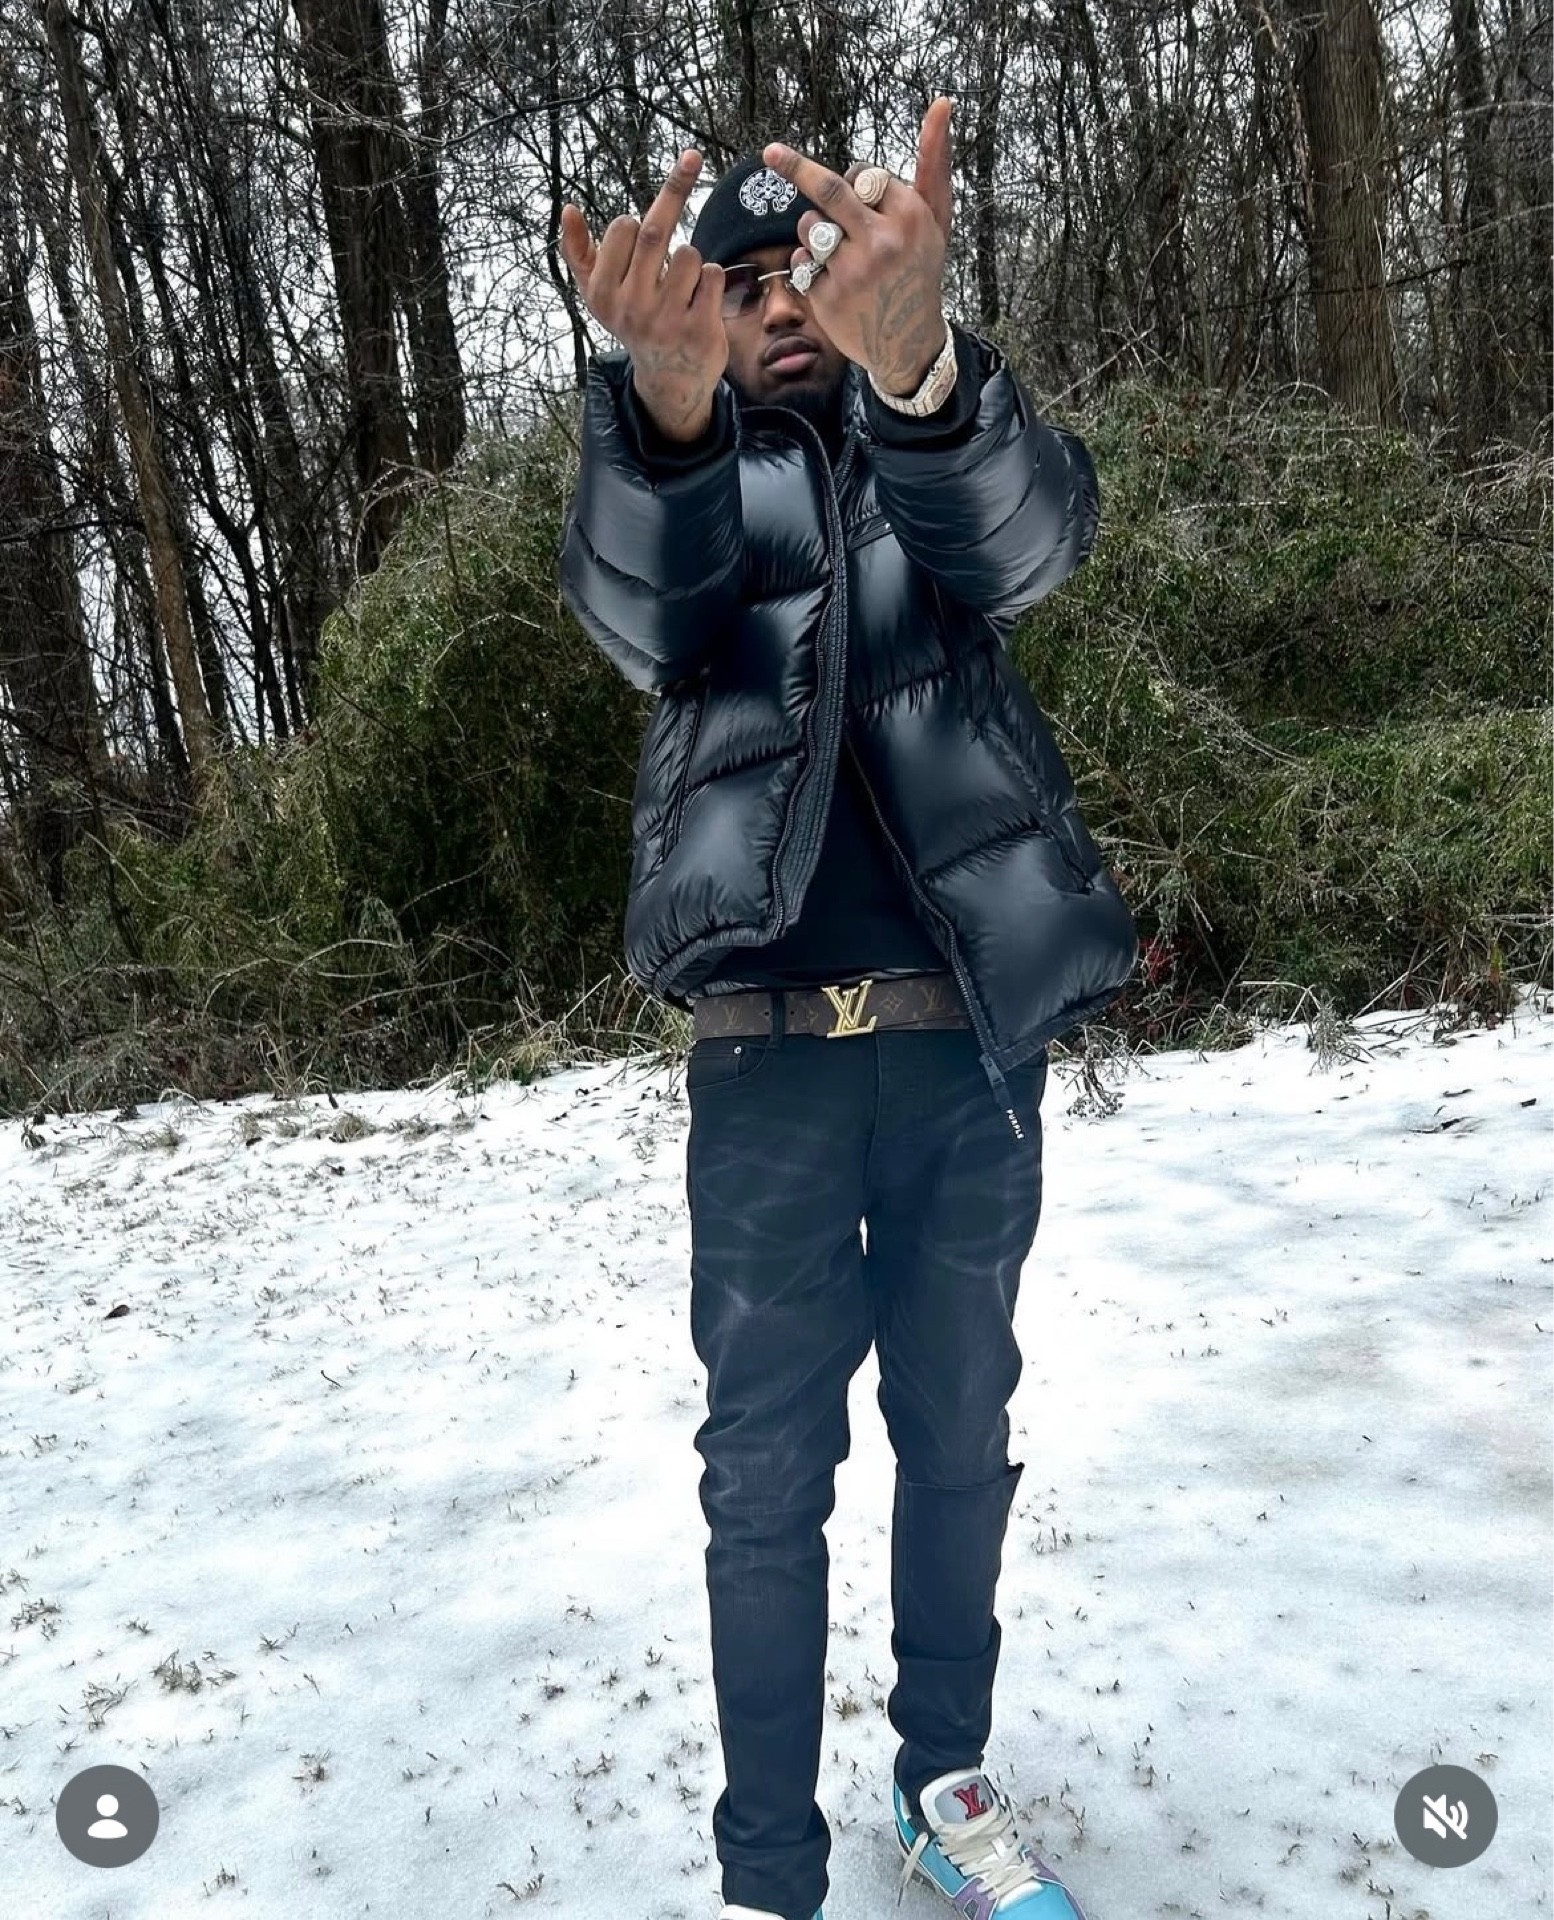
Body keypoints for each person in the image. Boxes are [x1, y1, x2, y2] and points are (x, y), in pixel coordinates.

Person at [557, 98, 1137, 1920]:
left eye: (797, 269)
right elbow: (642, 614)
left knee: (958, 1431)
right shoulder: (684, 491)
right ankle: (766, 1874)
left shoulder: (931, 451)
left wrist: (928, 372)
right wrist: (660, 416)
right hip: (768, 1074)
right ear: (702, 321)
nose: (774, 304)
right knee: (762, 1472)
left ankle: (943, 1785)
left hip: (962, 1049)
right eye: (735, 288)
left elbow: (1028, 542)